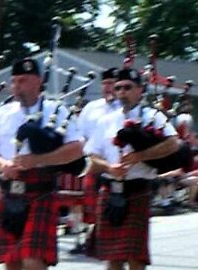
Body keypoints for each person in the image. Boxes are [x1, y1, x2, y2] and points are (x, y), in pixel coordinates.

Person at [0, 58, 83, 270]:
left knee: (33, 262)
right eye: (14, 81)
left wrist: (39, 160)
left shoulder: (57, 111)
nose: (17, 86)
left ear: (38, 81)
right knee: (12, 261)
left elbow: (77, 149)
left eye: (22, 80)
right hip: (9, 191)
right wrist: (2, 165)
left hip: (40, 192)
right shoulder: (2, 113)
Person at [84, 68, 179, 270]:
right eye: (118, 88)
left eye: (127, 87)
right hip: (110, 191)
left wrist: (140, 156)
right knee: (112, 258)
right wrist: (109, 166)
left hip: (137, 190)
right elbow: (91, 156)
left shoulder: (153, 117)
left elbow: (173, 143)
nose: (122, 92)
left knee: (135, 258)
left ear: (140, 90)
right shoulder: (105, 120)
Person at [68, 67, 121, 254]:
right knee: (90, 204)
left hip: (118, 164)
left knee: (113, 204)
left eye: (112, 83)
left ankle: (102, 238)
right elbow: (79, 134)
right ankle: (90, 239)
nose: (108, 87)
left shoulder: (125, 108)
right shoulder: (91, 108)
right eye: (105, 83)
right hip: (92, 163)